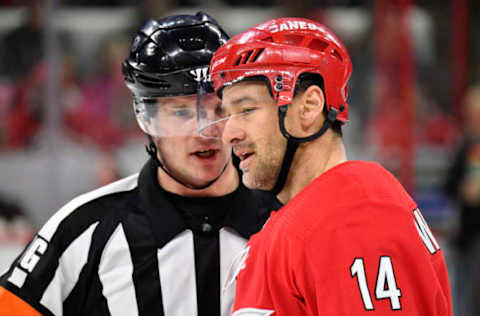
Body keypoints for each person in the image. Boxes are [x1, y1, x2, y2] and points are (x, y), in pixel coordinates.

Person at [0, 12, 280, 316]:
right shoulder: (81, 229)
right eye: (182, 113)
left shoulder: (288, 222)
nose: (207, 131)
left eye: (219, 109)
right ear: (146, 118)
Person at [206, 17, 453, 315]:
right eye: (227, 114)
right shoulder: (317, 215)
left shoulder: (354, 217)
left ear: (309, 106)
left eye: (246, 110)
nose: (229, 132)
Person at [444, 83, 480, 316]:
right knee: (465, 294)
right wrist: (463, 190)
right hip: (467, 234)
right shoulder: (466, 146)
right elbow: (448, 185)